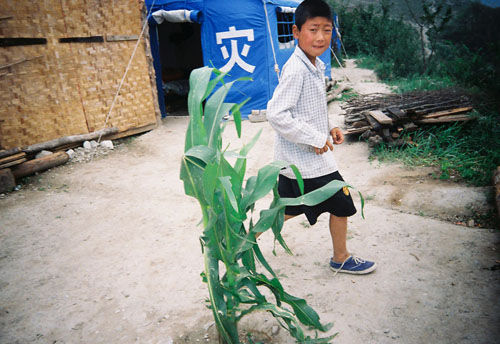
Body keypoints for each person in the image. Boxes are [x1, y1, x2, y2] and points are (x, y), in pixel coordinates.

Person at [266, 0, 376, 274]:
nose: (320, 37)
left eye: (327, 30)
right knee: (342, 200)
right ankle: (341, 257)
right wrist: (315, 139)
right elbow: (277, 114)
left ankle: (240, 238)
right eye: (313, 29)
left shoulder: (313, 65)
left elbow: (311, 108)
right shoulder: (296, 69)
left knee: (288, 210)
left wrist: (328, 129)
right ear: (295, 32)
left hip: (300, 160)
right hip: (306, 160)